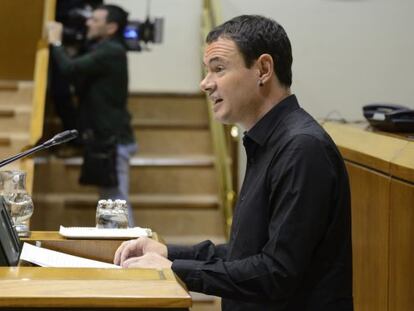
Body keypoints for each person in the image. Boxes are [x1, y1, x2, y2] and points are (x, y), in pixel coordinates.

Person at [114, 15, 353, 310]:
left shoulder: (302, 149)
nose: (205, 84)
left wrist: (174, 270)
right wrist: (166, 252)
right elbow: (245, 254)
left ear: (263, 69)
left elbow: (276, 272)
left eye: (218, 69)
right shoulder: (269, 142)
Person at [47, 4, 137, 227]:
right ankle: (118, 252)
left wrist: (55, 42)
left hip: (113, 140)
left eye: (95, 20)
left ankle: (133, 255)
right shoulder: (103, 48)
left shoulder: (111, 51)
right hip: (105, 138)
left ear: (111, 27)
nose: (88, 22)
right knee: (110, 202)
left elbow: (69, 70)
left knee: (116, 202)